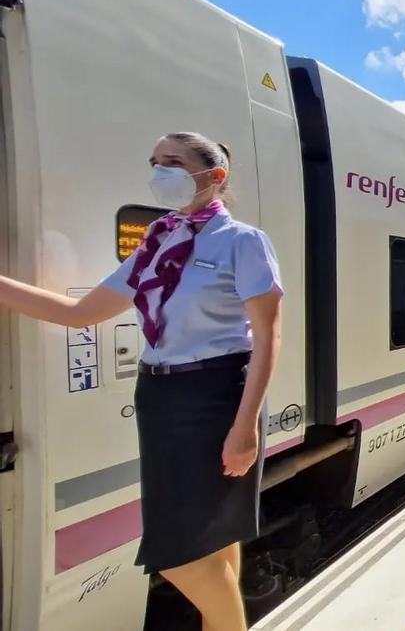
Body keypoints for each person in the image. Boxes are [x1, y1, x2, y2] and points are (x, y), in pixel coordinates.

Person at [0, 132, 283, 631]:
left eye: (172, 161)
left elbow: (266, 337)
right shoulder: (158, 243)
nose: (159, 171)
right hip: (159, 396)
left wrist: (246, 428)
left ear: (214, 176)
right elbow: (80, 313)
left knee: (178, 554)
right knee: (213, 540)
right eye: (154, 162)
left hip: (217, 397)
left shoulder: (243, 241)